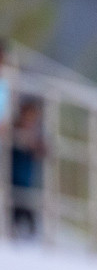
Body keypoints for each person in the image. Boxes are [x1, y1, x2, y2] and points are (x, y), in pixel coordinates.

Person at [9, 96, 44, 239]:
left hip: (27, 187)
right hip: (13, 183)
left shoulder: (37, 135)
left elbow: (42, 151)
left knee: (29, 218)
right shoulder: (14, 130)